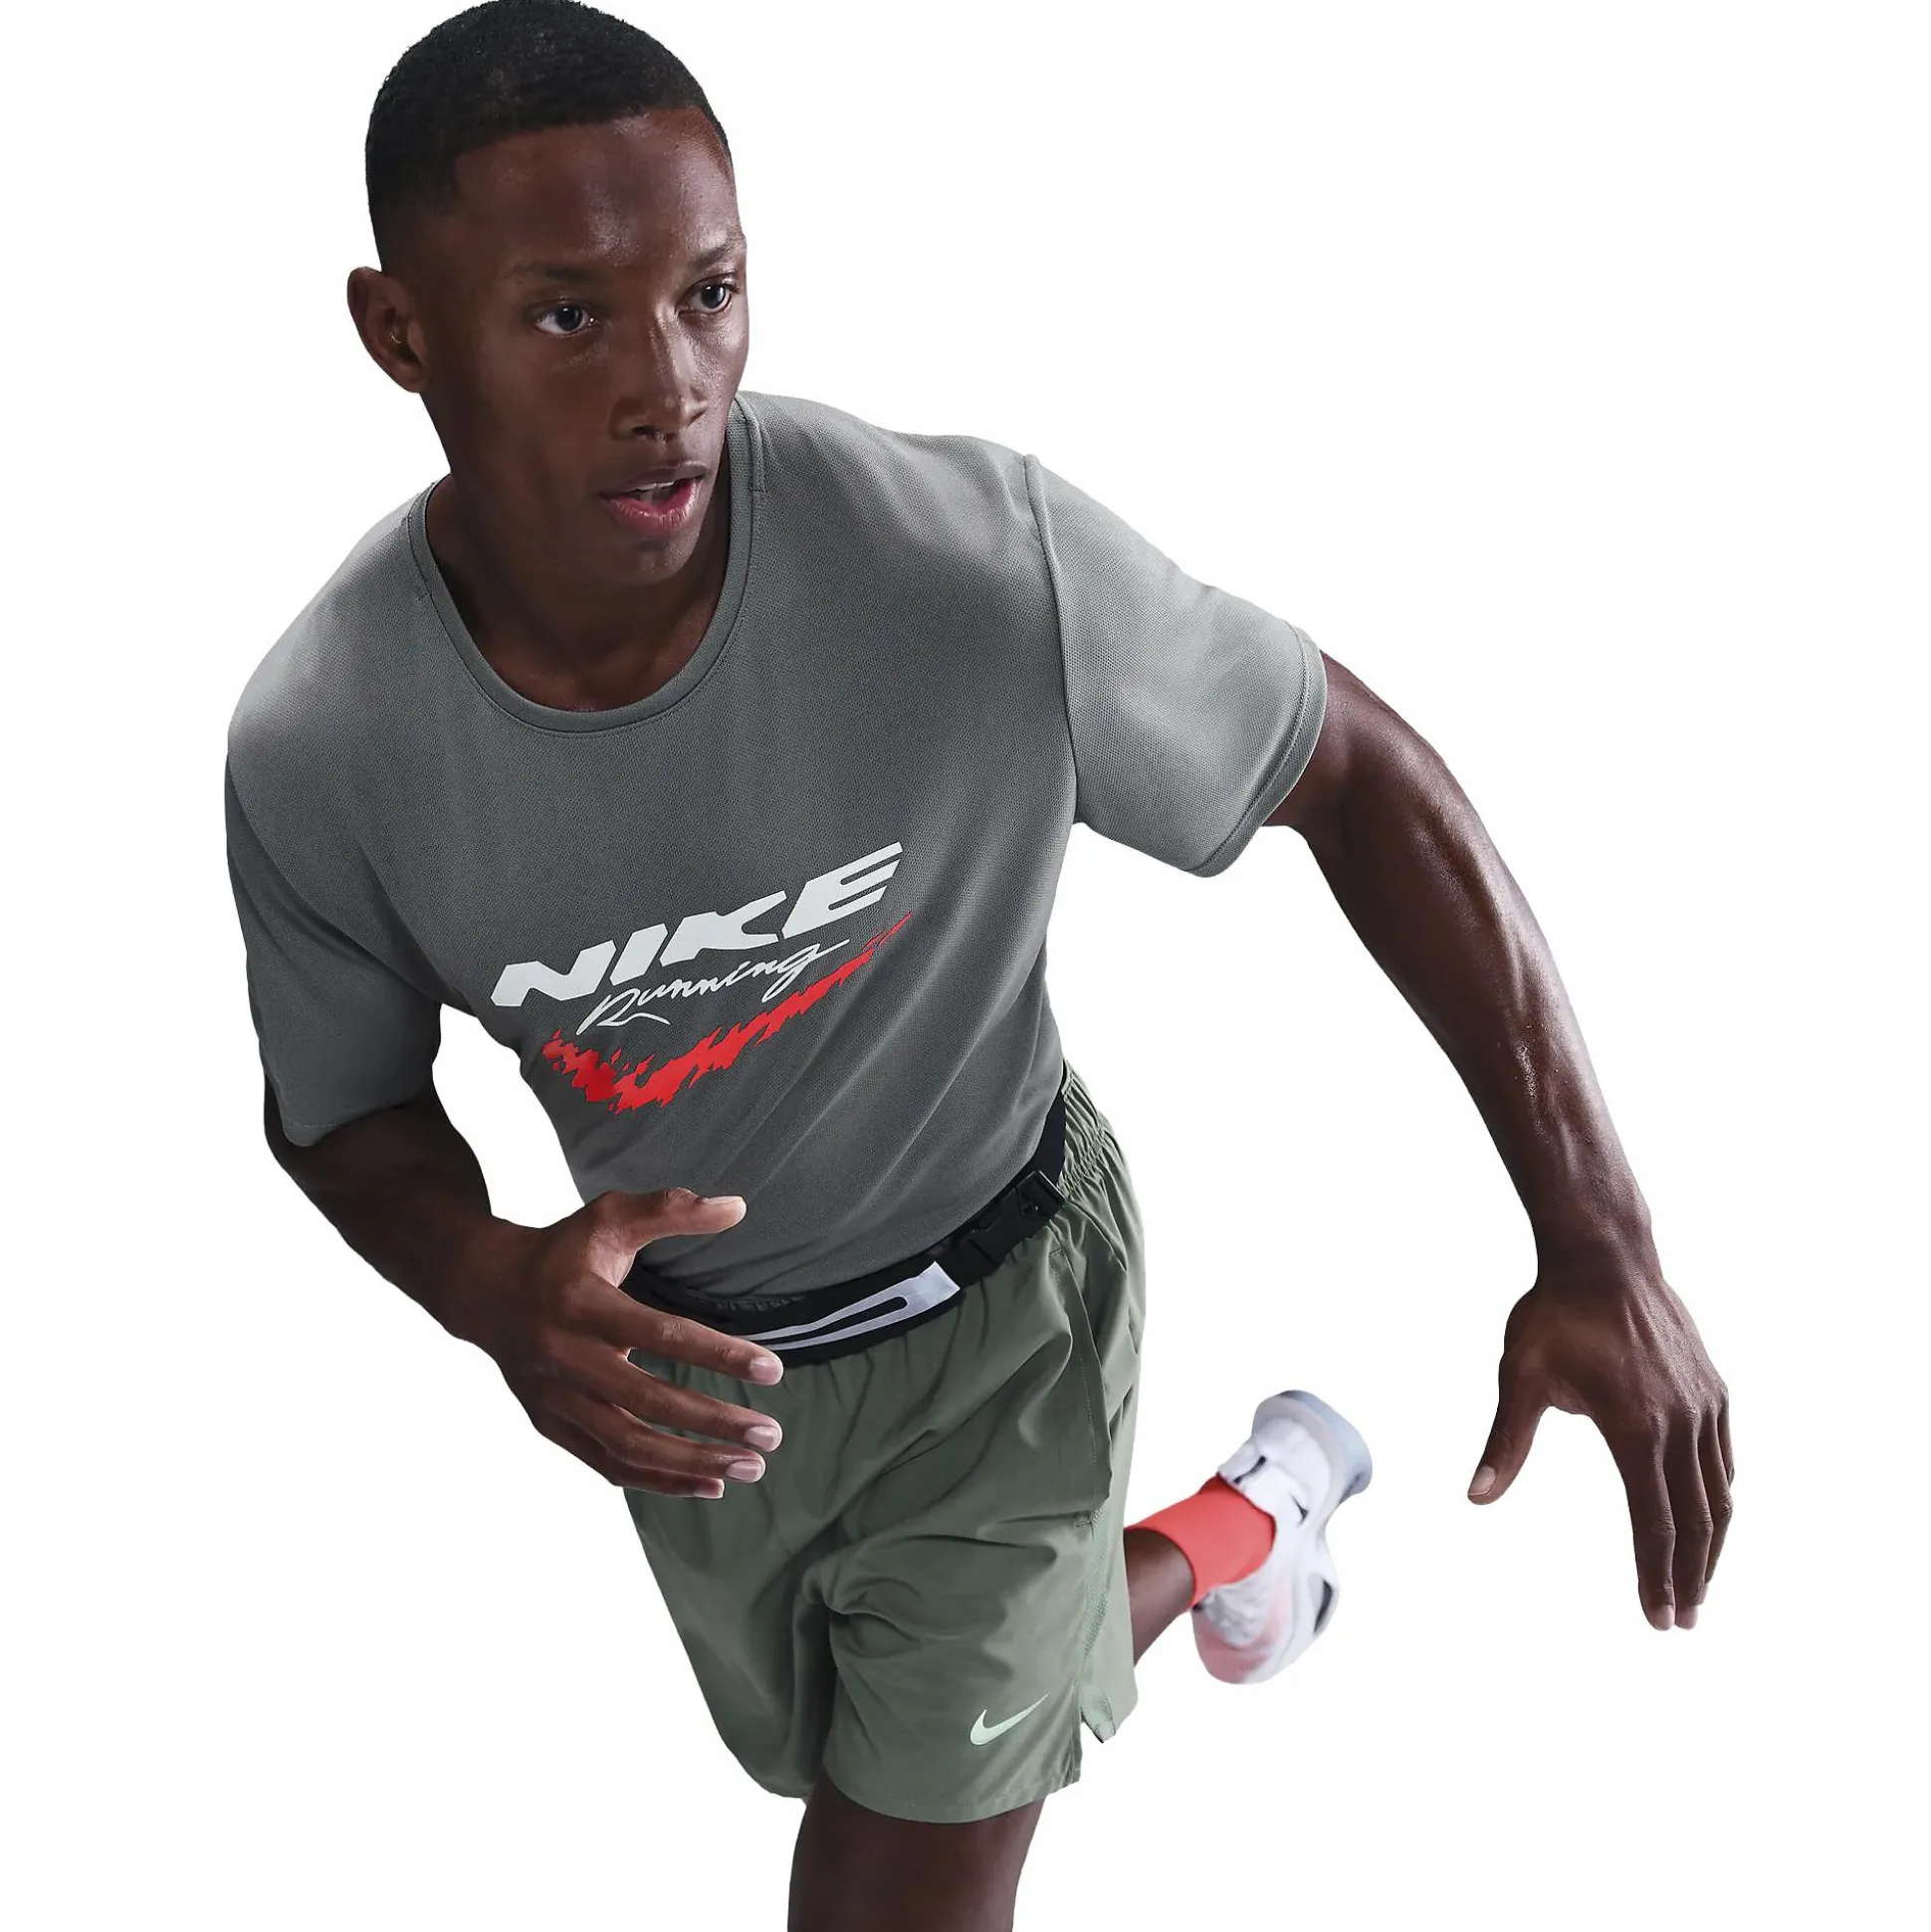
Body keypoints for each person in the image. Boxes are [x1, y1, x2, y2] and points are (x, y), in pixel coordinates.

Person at [222, 3, 1734, 1924]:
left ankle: (1197, 1532)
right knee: (887, 1735)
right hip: (702, 1385)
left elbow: (1355, 775)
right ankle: (1255, 1516)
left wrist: (1600, 1241)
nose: (666, 386)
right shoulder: (327, 745)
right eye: (568, 315)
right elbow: (344, 1111)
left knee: (892, 1868)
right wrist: (491, 1285)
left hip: (1009, 1307)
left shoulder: (965, 570)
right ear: (401, 331)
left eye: (708, 295)